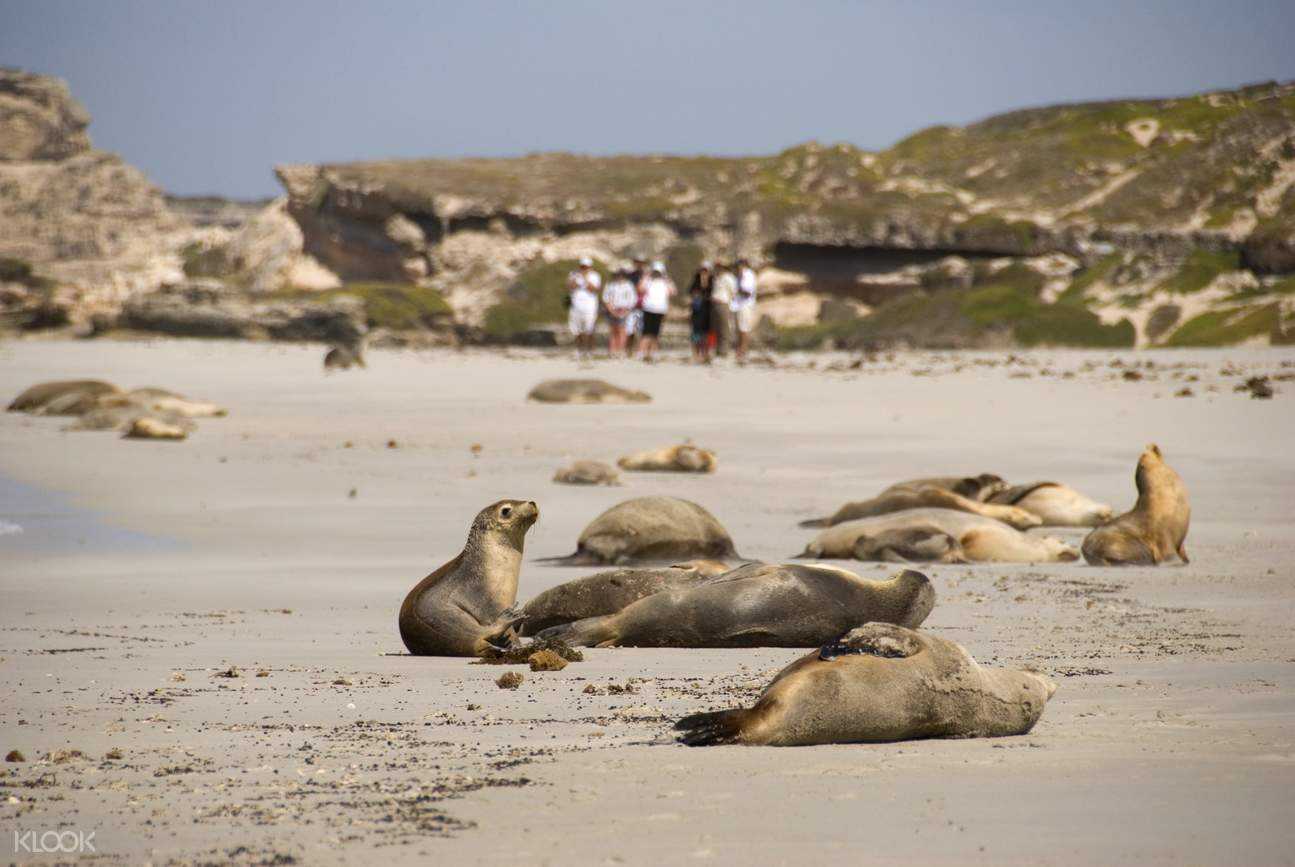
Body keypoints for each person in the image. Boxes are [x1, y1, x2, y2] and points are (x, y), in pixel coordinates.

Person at [638, 260, 674, 362]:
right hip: (648, 309)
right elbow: (640, 289)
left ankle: (653, 352)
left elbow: (672, 292)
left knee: (655, 333)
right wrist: (646, 276)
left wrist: (668, 279)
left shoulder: (665, 282)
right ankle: (642, 352)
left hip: (660, 310)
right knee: (646, 332)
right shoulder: (649, 281)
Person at [566, 257, 602, 360]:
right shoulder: (573, 274)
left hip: (590, 307)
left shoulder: (595, 276)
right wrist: (575, 280)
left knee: (589, 330)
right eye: (582, 266)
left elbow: (594, 289)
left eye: (586, 267)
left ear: (590, 267)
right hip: (575, 307)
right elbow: (569, 286)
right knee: (576, 331)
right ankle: (579, 351)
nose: (584, 269)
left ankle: (589, 351)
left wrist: (585, 279)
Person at [602, 263, 638, 358]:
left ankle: (621, 351)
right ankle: (612, 351)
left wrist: (625, 311)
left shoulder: (629, 286)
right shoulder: (610, 285)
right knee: (613, 331)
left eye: (622, 274)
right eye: (619, 274)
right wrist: (612, 310)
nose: (620, 276)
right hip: (612, 310)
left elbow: (632, 300)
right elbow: (606, 299)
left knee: (622, 331)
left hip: (624, 311)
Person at [731, 257, 758, 361]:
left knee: (744, 328)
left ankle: (743, 349)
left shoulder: (749, 275)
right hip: (737, 305)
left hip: (745, 305)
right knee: (737, 329)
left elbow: (747, 292)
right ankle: (739, 348)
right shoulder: (737, 276)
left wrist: (738, 287)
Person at [688, 261, 714, 363]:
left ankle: (708, 353)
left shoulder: (713, 281)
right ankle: (696, 353)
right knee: (696, 333)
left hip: (709, 311)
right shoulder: (695, 281)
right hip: (697, 311)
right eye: (702, 270)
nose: (704, 273)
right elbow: (691, 293)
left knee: (709, 333)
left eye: (706, 271)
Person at [710, 260, 736, 357]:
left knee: (724, 327)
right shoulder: (717, 278)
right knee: (715, 327)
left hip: (723, 304)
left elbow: (733, 291)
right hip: (715, 304)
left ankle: (724, 349)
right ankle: (716, 349)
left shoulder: (729, 278)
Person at [625, 255, 648, 356]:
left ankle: (640, 350)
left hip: (645, 306)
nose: (640, 264)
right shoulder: (630, 276)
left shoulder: (648, 276)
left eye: (642, 262)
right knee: (630, 330)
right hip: (632, 306)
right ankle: (628, 350)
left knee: (643, 330)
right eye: (638, 262)